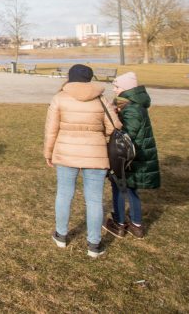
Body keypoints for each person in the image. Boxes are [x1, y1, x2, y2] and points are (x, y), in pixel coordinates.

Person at [44, 63, 120, 258]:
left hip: (66, 152)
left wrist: (48, 151)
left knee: (64, 194)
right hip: (95, 154)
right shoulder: (101, 99)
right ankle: (94, 244)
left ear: (70, 78)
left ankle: (61, 235)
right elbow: (114, 127)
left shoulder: (59, 98)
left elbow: (51, 129)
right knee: (94, 200)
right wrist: (99, 136)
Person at [102, 72, 159, 240]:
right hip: (135, 155)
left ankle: (120, 223)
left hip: (129, 157)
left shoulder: (132, 108)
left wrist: (114, 118)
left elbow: (126, 135)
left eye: (117, 86)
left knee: (120, 187)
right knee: (131, 188)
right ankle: (137, 224)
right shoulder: (134, 104)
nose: (114, 89)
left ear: (126, 88)